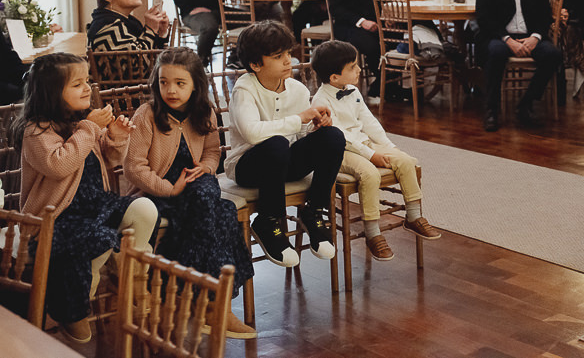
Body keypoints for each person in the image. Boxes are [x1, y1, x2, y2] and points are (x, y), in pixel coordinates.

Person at [14, 52, 158, 343]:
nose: (87, 88)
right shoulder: (36, 131)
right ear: (52, 92)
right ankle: (75, 307)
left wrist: (116, 136)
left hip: (95, 204)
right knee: (99, 238)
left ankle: (124, 273)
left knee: (144, 208)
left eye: (87, 81)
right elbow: (59, 164)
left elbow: (110, 159)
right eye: (77, 84)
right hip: (55, 218)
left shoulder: (80, 122)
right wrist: (91, 127)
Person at [123, 47, 255, 339]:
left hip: (196, 182)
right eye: (164, 82)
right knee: (223, 212)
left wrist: (205, 168)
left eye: (180, 83)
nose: (170, 90)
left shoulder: (204, 111)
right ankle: (214, 304)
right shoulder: (147, 114)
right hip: (157, 190)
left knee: (206, 198)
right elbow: (133, 168)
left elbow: (212, 153)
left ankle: (201, 298)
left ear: (195, 84)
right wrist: (169, 189)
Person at [225, 21, 345, 268]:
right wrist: (299, 118)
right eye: (278, 56)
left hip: (284, 163)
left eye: (288, 53)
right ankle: (269, 221)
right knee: (276, 144)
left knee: (332, 136)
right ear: (256, 65)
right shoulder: (244, 89)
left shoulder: (297, 89)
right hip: (247, 168)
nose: (288, 60)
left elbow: (298, 134)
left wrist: (314, 127)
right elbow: (253, 134)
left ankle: (315, 210)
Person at [310, 40, 441, 261]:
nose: (359, 69)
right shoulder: (321, 100)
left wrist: (389, 147)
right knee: (369, 174)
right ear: (334, 77)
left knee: (406, 160)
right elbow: (342, 137)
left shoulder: (352, 90)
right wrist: (372, 156)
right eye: (352, 66)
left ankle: (413, 217)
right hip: (340, 151)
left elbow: (369, 123)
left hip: (362, 142)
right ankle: (373, 233)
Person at [475, 0, 562, 132]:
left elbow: (544, 14)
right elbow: (484, 18)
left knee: (553, 54)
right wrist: (507, 40)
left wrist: (535, 37)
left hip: (530, 35)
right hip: (501, 36)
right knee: (495, 52)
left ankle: (526, 104)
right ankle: (491, 110)